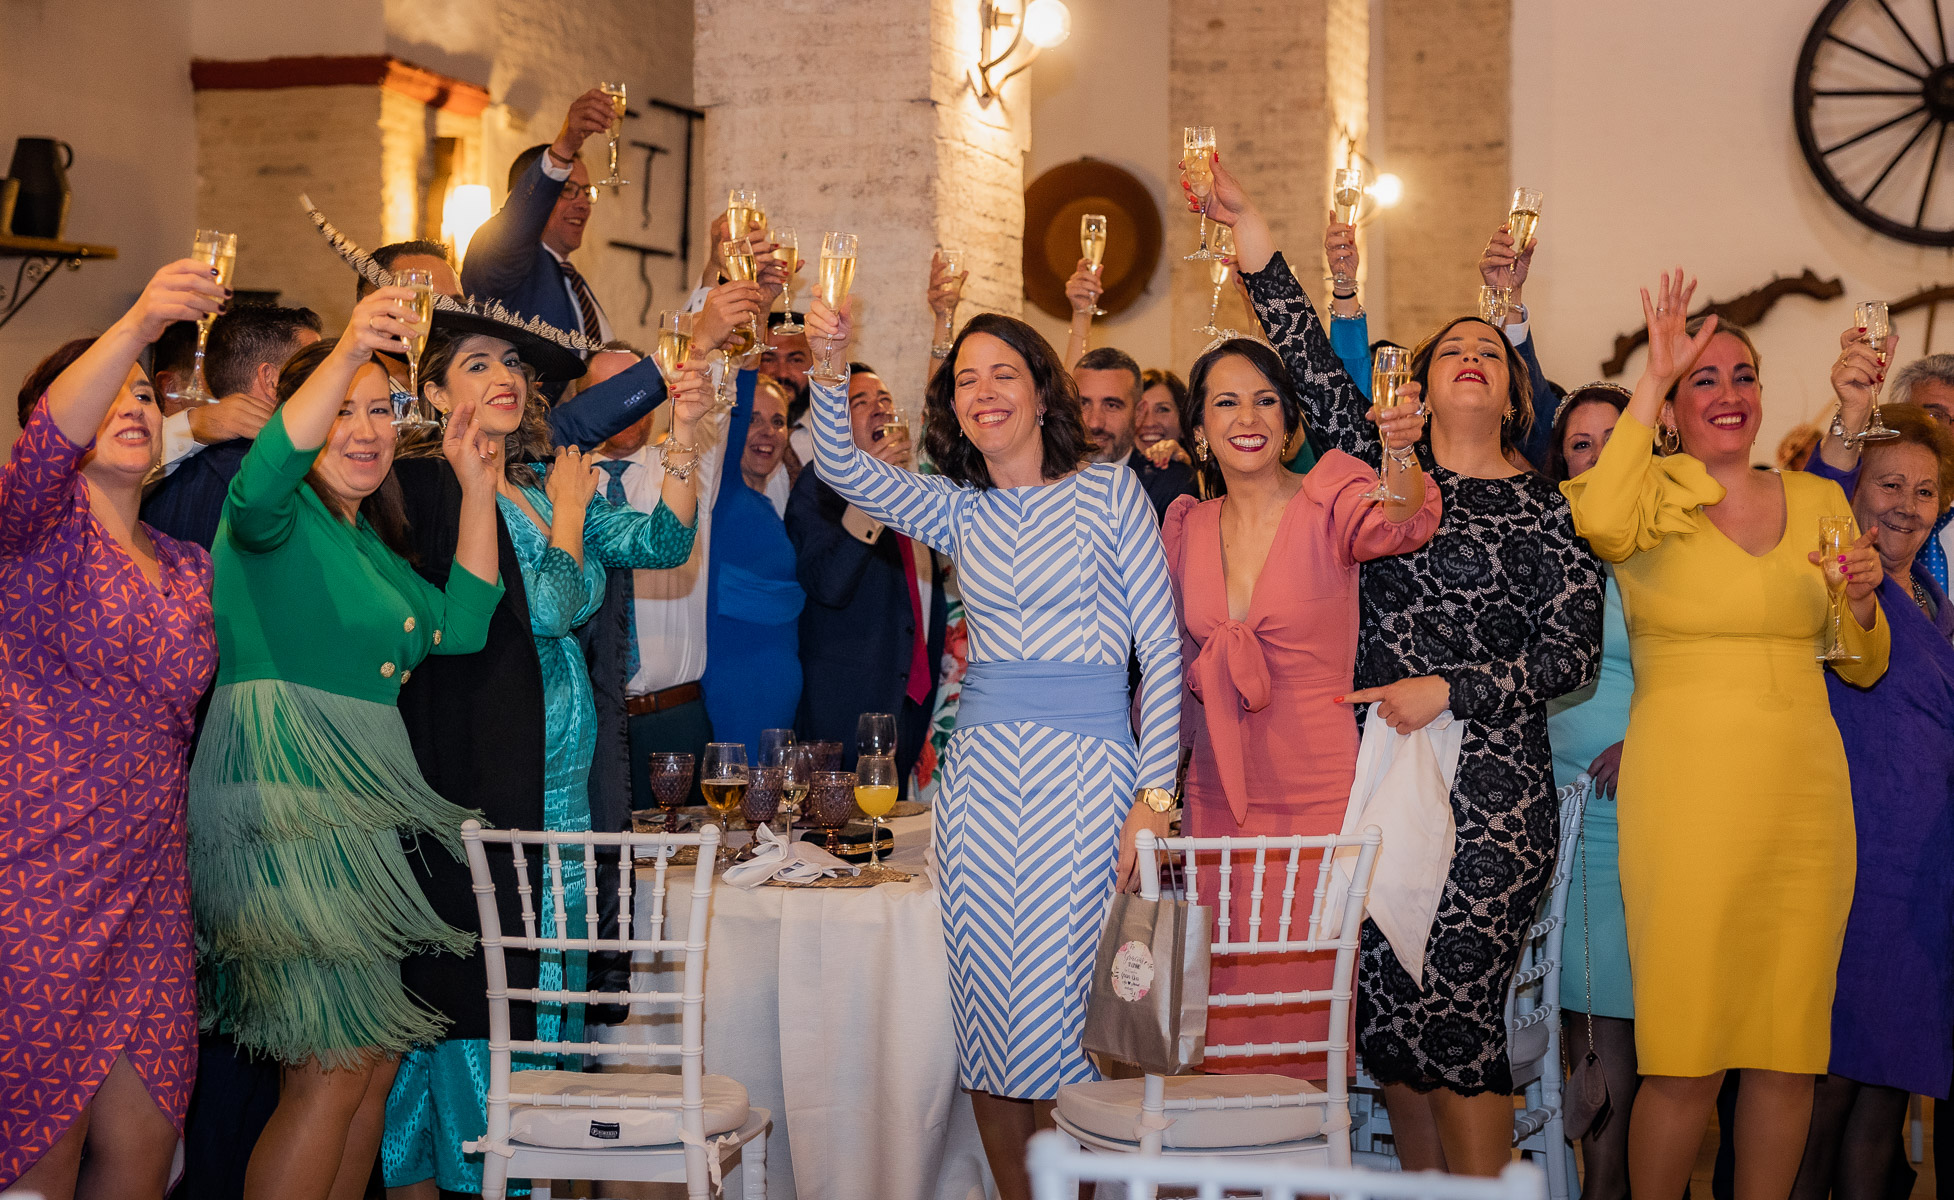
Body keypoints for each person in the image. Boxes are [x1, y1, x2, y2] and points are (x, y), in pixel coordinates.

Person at [1209, 159, 1603, 1176]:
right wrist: (1248, 221)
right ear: (1413, 390)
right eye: (1449, 350)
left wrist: (1453, 690)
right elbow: (1296, 339)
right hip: (1377, 779)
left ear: (1514, 386)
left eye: (1488, 348)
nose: (1470, 355)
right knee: (1388, 1023)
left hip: (1497, 788)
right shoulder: (1380, 477)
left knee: (1458, 1006)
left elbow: (1570, 654)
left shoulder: (1548, 505)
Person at [804, 299, 1181, 1200]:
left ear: (1043, 391)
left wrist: (1153, 800)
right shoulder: (956, 508)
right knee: (986, 1023)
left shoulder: (1107, 489)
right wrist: (826, 368)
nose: (984, 392)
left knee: (1065, 1024)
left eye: (1003, 373)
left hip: (1089, 787)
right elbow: (841, 468)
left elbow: (1162, 650)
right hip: (980, 789)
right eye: (966, 380)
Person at [1561, 271, 1888, 1199]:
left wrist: (1861, 601)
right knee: (1686, 1056)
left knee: (1787, 1055)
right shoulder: (1649, 493)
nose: (1730, 395)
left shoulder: (1820, 501)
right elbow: (1596, 516)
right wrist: (1653, 377)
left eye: (1742, 376)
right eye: (1705, 380)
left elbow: (1860, 660)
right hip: (1689, 803)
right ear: (1674, 403)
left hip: (1805, 805)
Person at [187, 283, 505, 1200]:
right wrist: (351, 344)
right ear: (305, 412)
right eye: (344, 410)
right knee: (332, 1065)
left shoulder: (361, 537)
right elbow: (258, 480)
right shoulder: (272, 519)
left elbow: (461, 628)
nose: (364, 430)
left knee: (367, 1062)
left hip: (351, 814)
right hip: (285, 801)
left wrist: (478, 488)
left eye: (381, 410)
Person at [383, 312, 705, 1200]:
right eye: (477, 363)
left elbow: (663, 544)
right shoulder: (431, 485)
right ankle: (484, 1171)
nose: (505, 375)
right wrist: (569, 510)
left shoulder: (533, 479)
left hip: (566, 773)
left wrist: (682, 434)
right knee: (496, 978)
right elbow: (552, 607)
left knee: (551, 962)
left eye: (513, 364)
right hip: (493, 767)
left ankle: (530, 1153)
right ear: (435, 393)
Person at [0, 261, 224, 1198]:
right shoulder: (32, 535)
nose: (132, 401)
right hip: (39, 884)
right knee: (37, 1167)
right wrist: (138, 321)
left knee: (139, 1162)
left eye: (146, 393)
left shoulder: (186, 565)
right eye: (112, 389)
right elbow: (53, 432)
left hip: (150, 896)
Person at [1162, 336, 1438, 1079]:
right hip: (1216, 792)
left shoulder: (1331, 496)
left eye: (1265, 399)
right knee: (1217, 991)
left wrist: (1402, 453)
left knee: (1302, 996)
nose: (1246, 416)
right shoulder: (1186, 524)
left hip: (1317, 788)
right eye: (1225, 400)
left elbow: (1403, 520)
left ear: (1288, 422)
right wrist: (1157, 796)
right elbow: (1170, 675)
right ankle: (1230, 1183)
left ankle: (1303, 1177)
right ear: (1199, 426)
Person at [1788, 403, 1954, 1200]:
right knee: (1825, 1089)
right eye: (1888, 483)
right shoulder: (1837, 574)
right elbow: (1816, 486)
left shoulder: (1928, 594)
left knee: (1885, 1098)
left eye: (1925, 492)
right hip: (1855, 861)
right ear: (1852, 493)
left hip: (1924, 881)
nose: (1905, 505)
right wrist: (1849, 407)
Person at [590, 285, 771, 811]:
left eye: (637, 390)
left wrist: (713, 307)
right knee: (609, 873)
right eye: (610, 392)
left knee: (688, 871)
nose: (628, 404)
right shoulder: (561, 484)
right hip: (595, 717)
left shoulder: (684, 460)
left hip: (676, 716)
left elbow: (710, 393)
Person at [1541, 383, 1638, 1198]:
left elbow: (1707, 663)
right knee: (1579, 1003)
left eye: (1617, 436)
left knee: (1621, 1005)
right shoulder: (1547, 536)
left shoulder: (1660, 543)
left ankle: (1618, 1184)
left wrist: (1651, 740)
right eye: (1581, 443)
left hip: (1638, 798)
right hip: (1548, 800)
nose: (1600, 453)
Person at [787, 363, 947, 796]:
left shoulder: (914, 492)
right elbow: (828, 584)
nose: (879, 411)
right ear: (835, 424)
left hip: (908, 708)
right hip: (844, 707)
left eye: (885, 401)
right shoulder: (818, 483)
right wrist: (871, 497)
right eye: (860, 403)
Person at [143, 303, 323, 550]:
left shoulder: (158, 477)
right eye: (315, 372)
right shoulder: (278, 477)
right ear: (270, 380)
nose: (329, 387)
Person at [699, 371, 805, 760]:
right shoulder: (720, 495)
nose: (767, 432)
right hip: (734, 692)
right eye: (753, 419)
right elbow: (731, 405)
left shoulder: (773, 509)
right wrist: (752, 322)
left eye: (777, 421)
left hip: (778, 702)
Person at [461, 88, 618, 343]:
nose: (583, 204)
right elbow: (518, 222)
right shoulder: (501, 256)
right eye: (567, 190)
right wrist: (565, 145)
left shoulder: (571, 281)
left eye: (586, 192)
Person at [1076, 346, 1196, 521]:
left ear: (1138, 413)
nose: (1094, 423)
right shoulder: (1044, 474)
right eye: (1083, 404)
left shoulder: (1171, 482)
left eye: (1111, 405)